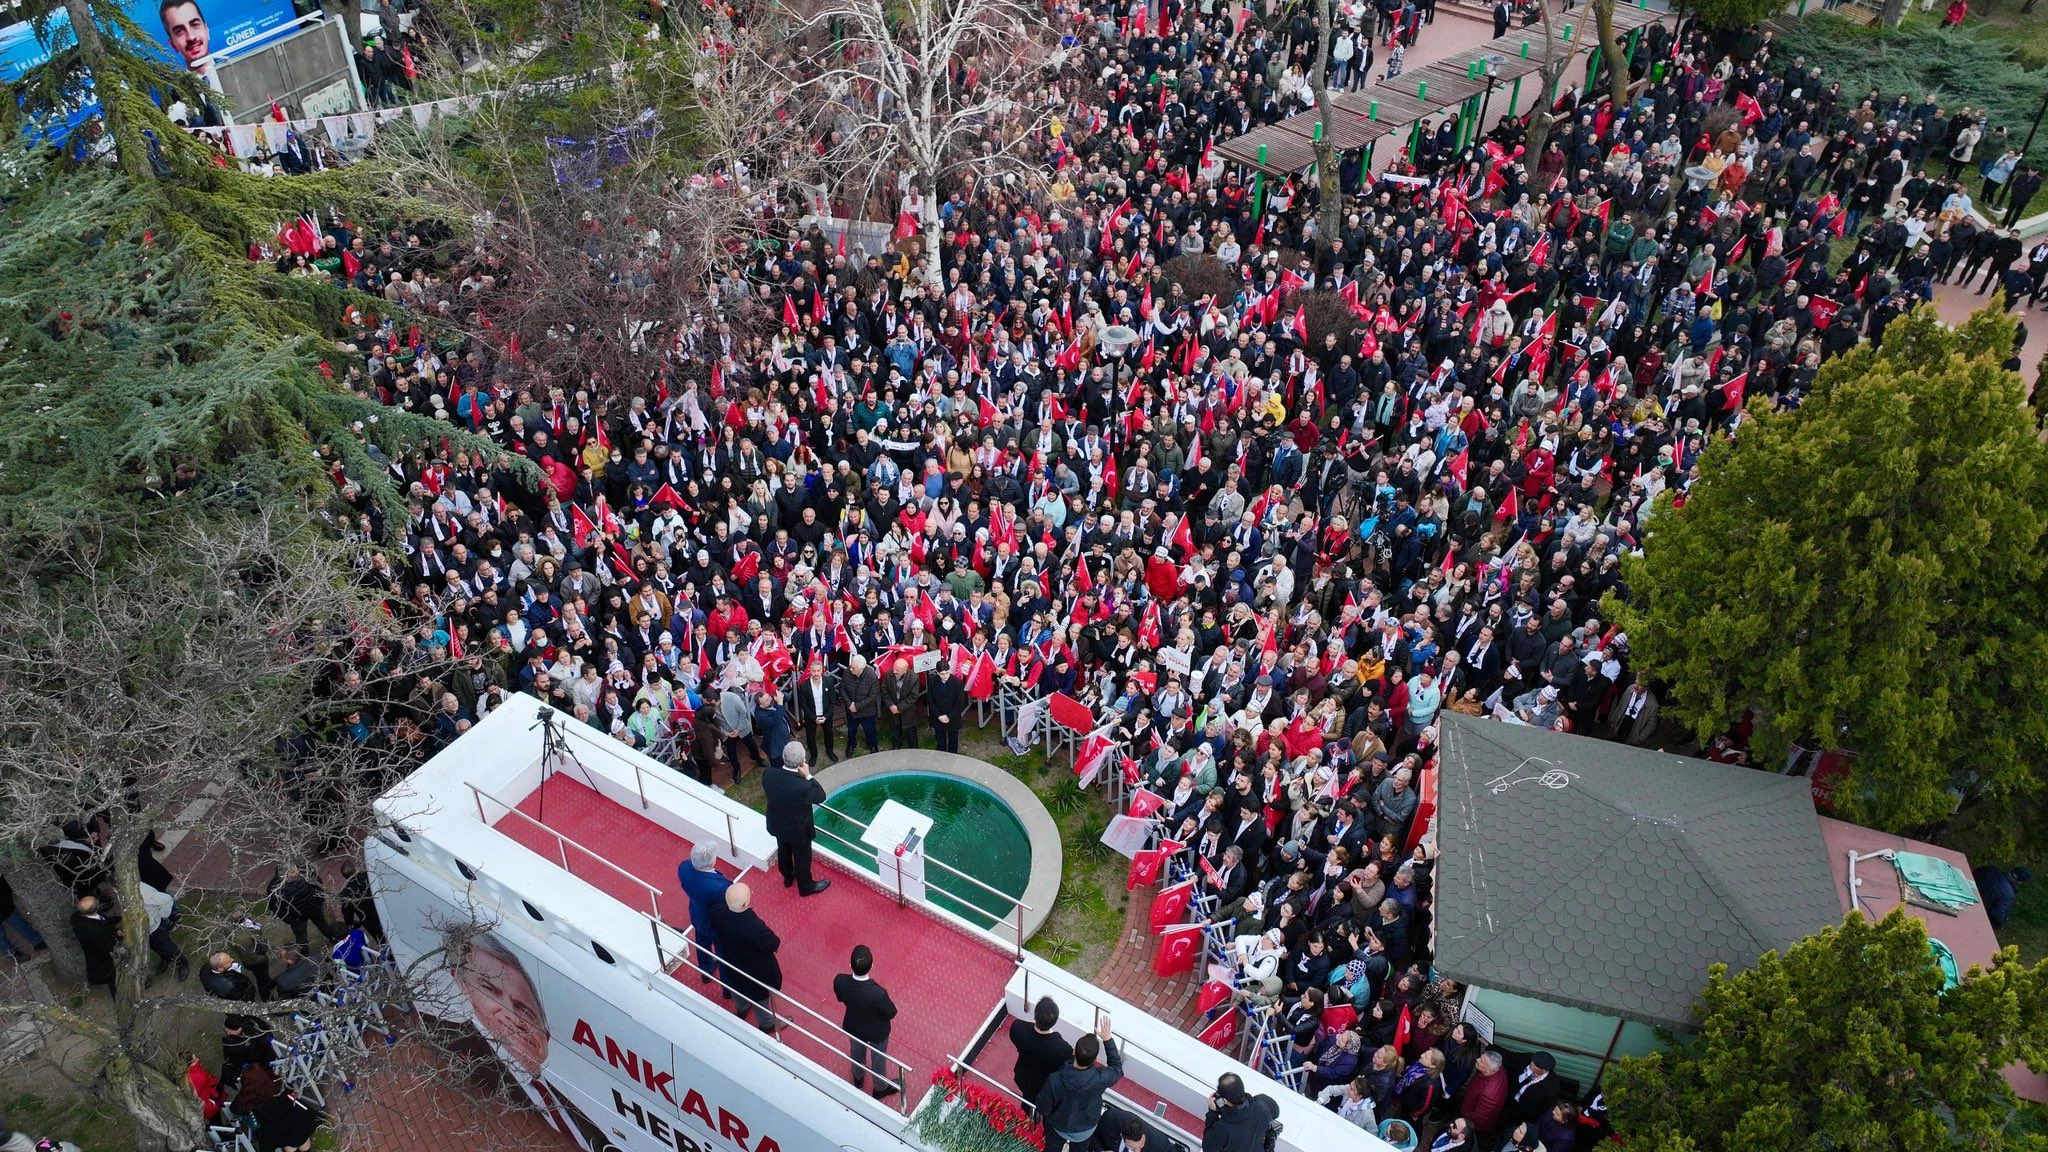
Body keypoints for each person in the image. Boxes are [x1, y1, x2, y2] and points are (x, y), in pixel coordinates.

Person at [1036, 1015, 1122, 1152]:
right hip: (1085, 1130)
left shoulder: (1055, 1079)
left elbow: (1042, 1106)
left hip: (1057, 1126)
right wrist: (1108, 1040)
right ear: (1094, 1059)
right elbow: (1117, 1068)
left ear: (1075, 1052)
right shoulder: (1100, 1078)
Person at [707, 883, 782, 1032]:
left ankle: (742, 1008)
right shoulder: (754, 927)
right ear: (745, 903)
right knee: (759, 997)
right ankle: (767, 1024)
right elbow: (773, 943)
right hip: (754, 970)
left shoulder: (716, 912)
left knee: (735, 987)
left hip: (731, 962)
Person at [762, 741, 831, 896]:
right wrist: (808, 775)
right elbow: (821, 795)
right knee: (802, 859)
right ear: (802, 762)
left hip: (778, 824)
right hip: (799, 830)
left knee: (783, 850)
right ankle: (806, 887)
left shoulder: (768, 774)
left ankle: (788, 877)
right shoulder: (804, 787)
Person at [832, 944, 899, 1098]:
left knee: (856, 1052)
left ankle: (858, 1078)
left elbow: (840, 997)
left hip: (853, 1026)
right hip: (877, 1033)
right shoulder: (878, 993)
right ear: (872, 966)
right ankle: (880, 1088)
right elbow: (891, 1012)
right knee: (878, 1059)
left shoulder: (840, 981)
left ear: (850, 965)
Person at [677, 843, 732, 983]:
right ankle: (727, 987)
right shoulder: (720, 887)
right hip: (715, 925)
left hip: (697, 914)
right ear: (712, 861)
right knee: (724, 954)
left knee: (702, 942)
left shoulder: (684, 868)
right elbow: (729, 905)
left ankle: (705, 970)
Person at [1010, 995, 1073, 1112]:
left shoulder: (1018, 1028)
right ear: (1054, 1021)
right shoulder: (1062, 1049)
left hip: (1023, 1078)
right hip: (1046, 1086)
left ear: (1035, 1015)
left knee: (1027, 1102)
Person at [1201, 1071, 1282, 1152]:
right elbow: (1276, 1111)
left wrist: (1212, 1113)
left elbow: (1207, 1148)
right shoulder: (1263, 1104)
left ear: (1224, 1101)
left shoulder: (1222, 1129)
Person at [267, 865, 340, 949]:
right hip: (297, 917)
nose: (297, 872)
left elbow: (318, 884)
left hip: (313, 908)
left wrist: (319, 902)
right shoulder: (275, 889)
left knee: (323, 925)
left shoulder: (306, 874)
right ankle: (304, 953)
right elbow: (276, 908)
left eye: (296, 869)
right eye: (293, 872)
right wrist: (291, 920)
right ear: (284, 876)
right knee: (301, 937)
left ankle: (333, 938)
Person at [70, 895, 117, 998]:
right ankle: (118, 998)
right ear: (97, 907)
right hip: (102, 957)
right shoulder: (96, 931)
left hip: (95, 947)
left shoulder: (76, 917)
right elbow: (107, 947)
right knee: (113, 977)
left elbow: (103, 920)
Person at [794, 661, 839, 765]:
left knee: (828, 734)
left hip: (826, 715)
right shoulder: (804, 685)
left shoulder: (829, 682)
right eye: (813, 671)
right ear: (810, 671)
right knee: (810, 736)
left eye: (818, 670)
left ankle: (830, 751)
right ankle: (814, 755)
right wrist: (814, 718)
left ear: (822, 670)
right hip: (811, 717)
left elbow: (833, 701)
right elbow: (804, 705)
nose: (816, 673)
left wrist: (826, 716)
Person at [841, 653, 881, 755]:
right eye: (851, 666)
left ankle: (872, 745)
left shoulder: (872, 677)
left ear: (861, 669)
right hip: (851, 710)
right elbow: (842, 689)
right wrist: (849, 704)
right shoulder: (847, 672)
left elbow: (872, 696)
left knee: (870, 730)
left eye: (853, 668)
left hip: (866, 711)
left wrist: (857, 706)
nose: (850, 669)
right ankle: (851, 744)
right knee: (851, 730)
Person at [927, 659, 968, 753]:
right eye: (942, 674)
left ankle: (952, 758)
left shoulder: (957, 683)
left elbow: (960, 703)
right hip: (938, 717)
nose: (945, 676)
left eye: (947, 673)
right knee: (940, 740)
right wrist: (938, 715)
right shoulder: (932, 681)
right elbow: (930, 700)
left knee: (953, 740)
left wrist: (949, 716)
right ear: (937, 672)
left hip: (952, 717)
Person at [158, 0, 210, 72]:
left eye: (195, 25)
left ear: (207, 30)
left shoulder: (231, 67)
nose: (191, 37)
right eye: (179, 31)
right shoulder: (175, 83)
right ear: (173, 44)